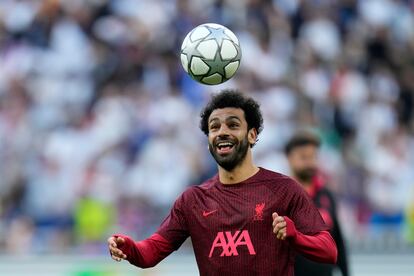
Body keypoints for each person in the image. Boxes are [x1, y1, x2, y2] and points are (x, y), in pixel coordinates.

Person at [107, 90, 337, 275]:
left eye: (233, 125)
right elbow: (153, 251)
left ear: (252, 135)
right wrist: (130, 248)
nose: (222, 132)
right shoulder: (193, 200)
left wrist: (295, 236)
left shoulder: (283, 190)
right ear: (208, 140)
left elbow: (329, 251)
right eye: (214, 127)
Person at [284, 131, 349, 276]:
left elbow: (338, 240)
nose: (310, 162)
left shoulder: (327, 195)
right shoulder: (281, 197)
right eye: (303, 157)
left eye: (313, 157)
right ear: (289, 158)